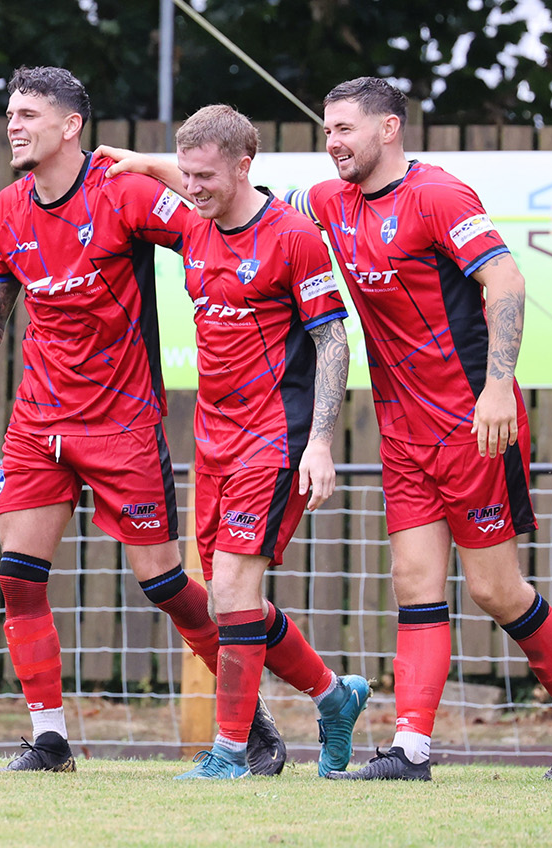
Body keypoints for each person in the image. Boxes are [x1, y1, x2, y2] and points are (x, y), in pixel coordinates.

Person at [101, 77, 552, 782]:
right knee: (414, 583)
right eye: (327, 130)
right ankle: (410, 751)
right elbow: (235, 188)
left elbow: (506, 279)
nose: (333, 143)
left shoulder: (439, 196)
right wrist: (146, 162)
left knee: (495, 590)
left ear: (389, 128)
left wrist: (499, 386)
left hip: (471, 424)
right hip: (402, 431)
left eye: (345, 129)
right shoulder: (326, 200)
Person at [0, 68, 284, 774]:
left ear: (70, 126)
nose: (13, 126)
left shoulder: (122, 190)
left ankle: (249, 721)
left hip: (123, 423)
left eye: (28, 114)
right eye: (10, 114)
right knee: (18, 577)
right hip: (39, 425)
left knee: (165, 586)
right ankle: (49, 739)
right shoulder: (9, 208)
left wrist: (156, 167)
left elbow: (221, 219)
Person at [129, 105, 372, 780]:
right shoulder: (193, 225)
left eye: (205, 176)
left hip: (275, 438)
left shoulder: (293, 236)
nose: (192, 187)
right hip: (213, 441)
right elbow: (172, 179)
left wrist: (320, 443)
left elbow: (332, 340)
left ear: (244, 168)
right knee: (231, 601)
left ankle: (231, 754)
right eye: (186, 175)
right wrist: (138, 162)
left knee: (235, 588)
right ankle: (334, 697)